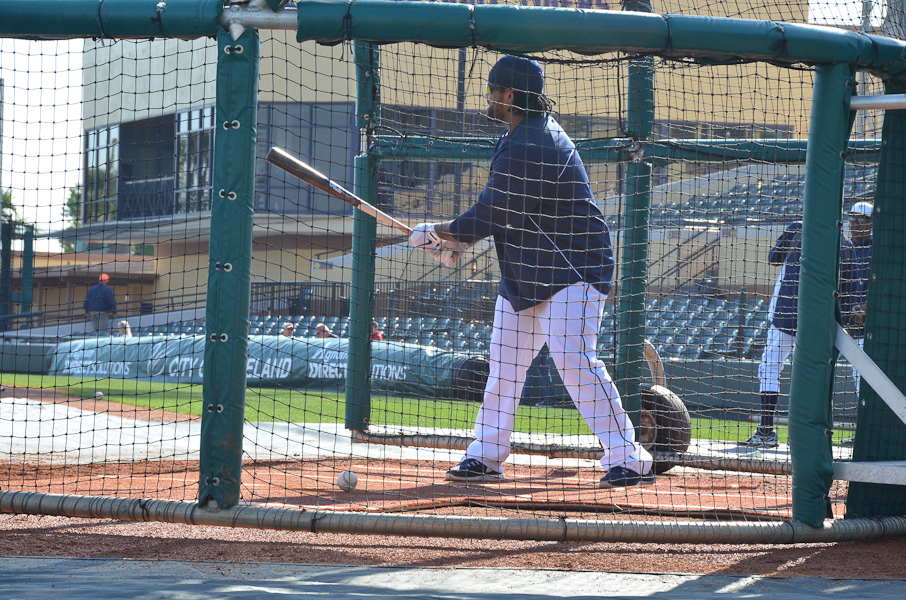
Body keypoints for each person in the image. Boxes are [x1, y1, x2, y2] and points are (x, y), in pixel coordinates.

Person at [408, 55, 654, 489]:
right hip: (528, 270)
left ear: (510, 95)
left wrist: (441, 231)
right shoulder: (518, 135)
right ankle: (486, 455)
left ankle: (629, 457)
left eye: (493, 90)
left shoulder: (534, 141)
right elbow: (507, 214)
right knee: (504, 365)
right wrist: (458, 241)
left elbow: (494, 211)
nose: (488, 97)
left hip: (573, 268)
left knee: (574, 362)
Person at [742, 220, 858, 448]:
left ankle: (766, 431)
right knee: (815, 376)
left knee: (770, 368)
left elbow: (773, 258)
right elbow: (849, 290)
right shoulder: (844, 242)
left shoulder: (798, 228)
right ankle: (814, 438)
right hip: (820, 320)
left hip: (786, 313)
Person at [845, 201, 873, 394]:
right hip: (846, 328)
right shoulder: (844, 247)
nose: (854, 224)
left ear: (871, 222)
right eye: (852, 219)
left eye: (859, 219)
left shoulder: (880, 250)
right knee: (858, 380)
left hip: (873, 331)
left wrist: (866, 307)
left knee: (869, 381)